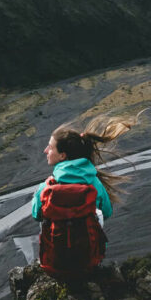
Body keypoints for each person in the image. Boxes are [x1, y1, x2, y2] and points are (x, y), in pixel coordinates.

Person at [31, 115, 135, 277]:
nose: (45, 150)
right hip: (88, 262)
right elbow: (107, 212)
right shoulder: (94, 184)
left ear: (63, 156)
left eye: (50, 147)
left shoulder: (47, 186)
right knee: (97, 215)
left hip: (53, 265)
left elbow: (36, 215)